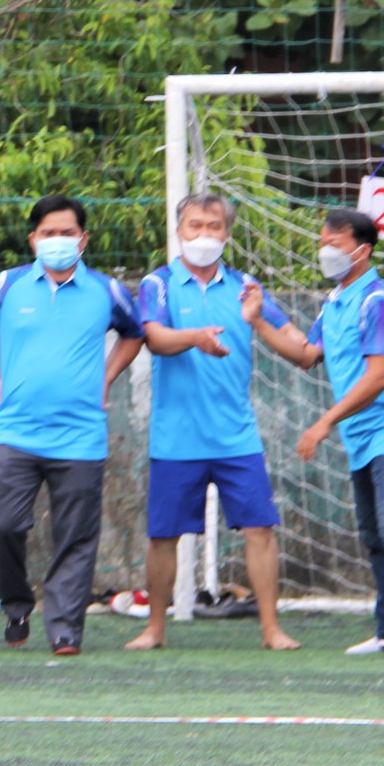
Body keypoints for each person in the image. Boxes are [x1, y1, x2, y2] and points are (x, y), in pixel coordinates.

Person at [0, 195, 143, 655]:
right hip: (16, 432)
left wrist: (107, 375)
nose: (58, 241)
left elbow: (135, 334)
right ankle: (16, 602)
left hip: (81, 438)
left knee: (75, 536)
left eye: (67, 233)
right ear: (33, 238)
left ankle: (64, 629)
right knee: (0, 524)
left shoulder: (108, 290)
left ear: (84, 239)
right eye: (49, 233)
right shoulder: (6, 286)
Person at [247, 207, 384, 656]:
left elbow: (379, 376)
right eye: (323, 241)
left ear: (362, 250)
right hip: (361, 435)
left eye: (335, 243)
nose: (325, 250)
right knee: (372, 533)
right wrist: (256, 320)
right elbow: (307, 354)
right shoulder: (335, 302)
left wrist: (325, 421)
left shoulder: (378, 302)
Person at [127, 193, 301, 652]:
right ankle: (155, 629)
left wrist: (260, 320)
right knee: (163, 536)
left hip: (236, 436)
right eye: (195, 226)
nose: (204, 235)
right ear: (179, 230)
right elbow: (156, 339)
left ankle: (271, 630)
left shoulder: (247, 287)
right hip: (176, 437)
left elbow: (294, 343)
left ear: (227, 233)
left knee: (260, 529)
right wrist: (196, 338)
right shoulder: (157, 284)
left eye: (213, 227)